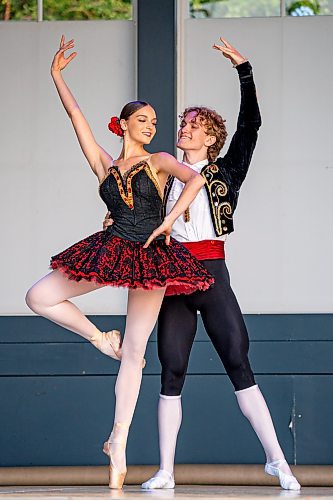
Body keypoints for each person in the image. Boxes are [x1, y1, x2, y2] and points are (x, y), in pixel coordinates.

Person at [105, 37, 301, 491]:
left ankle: (277, 460)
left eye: (192, 125)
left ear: (211, 136)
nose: (184, 129)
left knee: (238, 359)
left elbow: (252, 125)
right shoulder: (161, 170)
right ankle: (166, 469)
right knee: (170, 368)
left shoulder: (226, 171)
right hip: (171, 275)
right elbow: (132, 207)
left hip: (211, 273)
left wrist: (245, 70)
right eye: (183, 123)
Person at [25, 35, 214, 490]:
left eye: (154, 121)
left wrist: (169, 221)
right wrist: (56, 76)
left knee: (136, 352)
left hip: (150, 253)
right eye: (143, 120)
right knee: (39, 296)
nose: (151, 126)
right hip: (112, 246)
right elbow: (77, 120)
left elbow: (196, 179)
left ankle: (118, 443)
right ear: (124, 124)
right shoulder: (105, 166)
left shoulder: (161, 159)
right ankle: (97, 339)